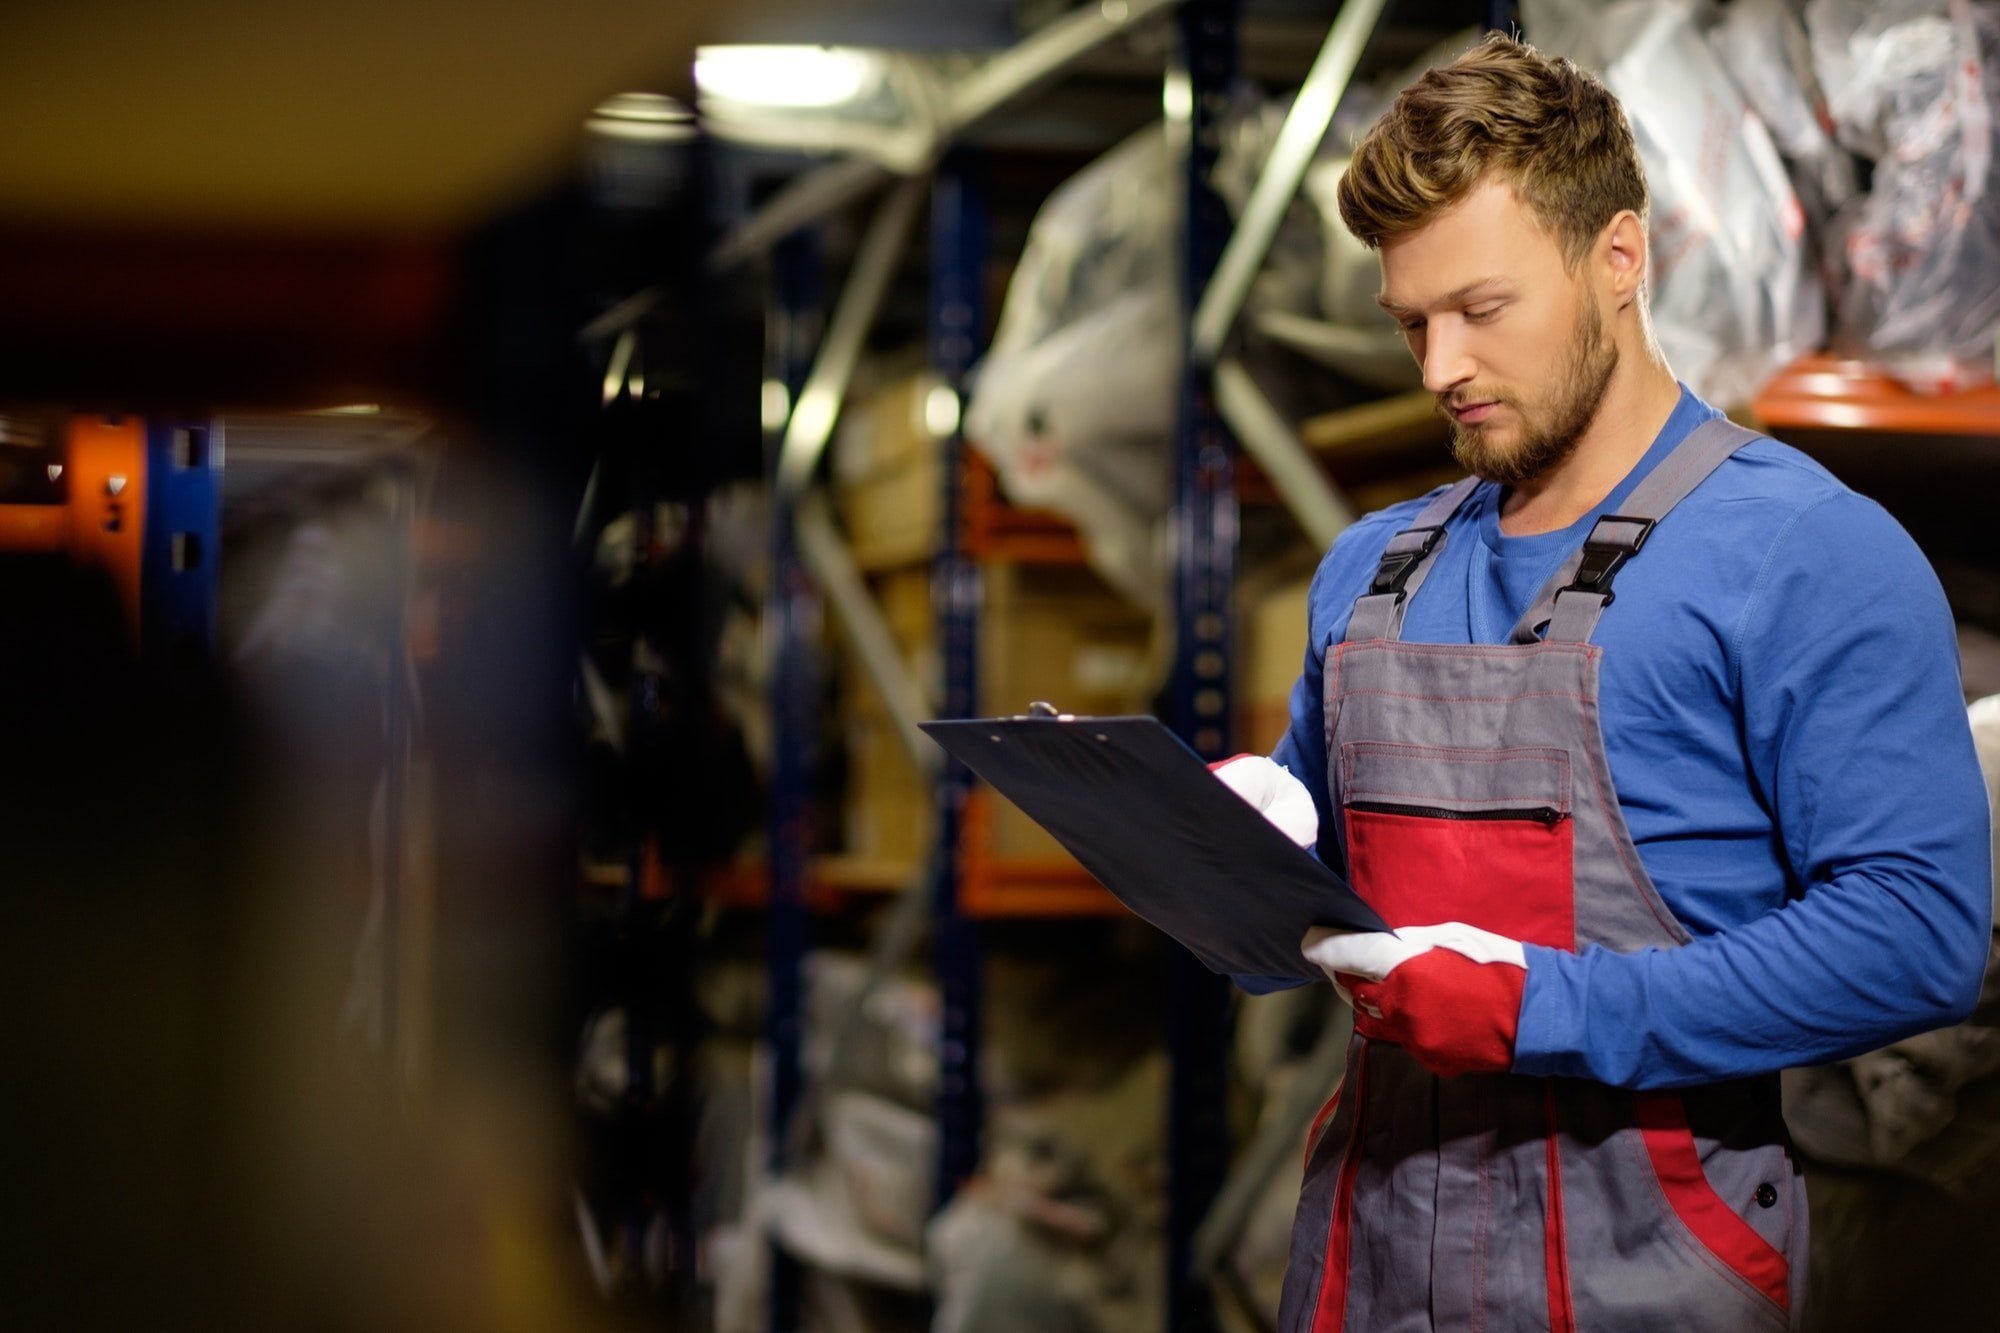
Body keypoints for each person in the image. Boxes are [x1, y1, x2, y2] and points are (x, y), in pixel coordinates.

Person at [1240, 31, 1993, 1332]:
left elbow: (1918, 939)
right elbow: (1315, 867)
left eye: (1483, 310)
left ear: (1621, 258)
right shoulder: (1369, 570)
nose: (1440, 369)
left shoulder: (1806, 553)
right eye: (1411, 320)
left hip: (1648, 1268)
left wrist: (1545, 1005)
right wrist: (1250, 822)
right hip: (1367, 1259)